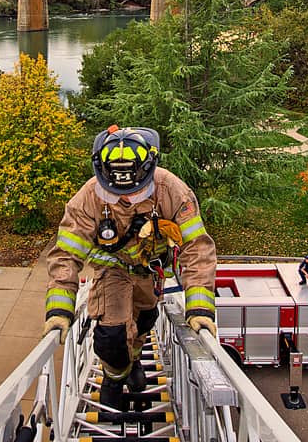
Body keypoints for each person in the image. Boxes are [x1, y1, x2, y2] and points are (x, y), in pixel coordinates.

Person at [42, 126, 217, 410]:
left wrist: (199, 308)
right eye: (116, 194)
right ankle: (114, 376)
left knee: (144, 322)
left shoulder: (172, 191)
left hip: (149, 274)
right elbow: (65, 254)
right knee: (111, 337)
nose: (126, 199)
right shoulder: (88, 197)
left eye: (136, 192)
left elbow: (196, 248)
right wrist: (59, 309)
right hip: (112, 273)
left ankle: (133, 361)